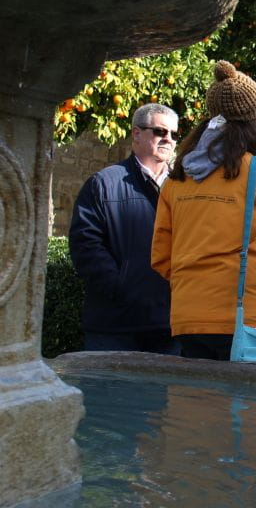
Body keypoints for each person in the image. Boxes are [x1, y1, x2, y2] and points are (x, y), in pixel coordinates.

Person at [151, 61, 256, 360]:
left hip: (188, 316)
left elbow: (161, 257)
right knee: (246, 404)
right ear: (255, 118)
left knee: (194, 403)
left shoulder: (177, 178)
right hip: (246, 317)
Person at [69, 102, 182, 354]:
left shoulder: (184, 188)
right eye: (160, 132)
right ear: (136, 134)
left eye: (174, 134)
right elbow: (85, 245)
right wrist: (122, 288)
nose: (169, 140)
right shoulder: (103, 183)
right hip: (115, 327)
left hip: (170, 327)